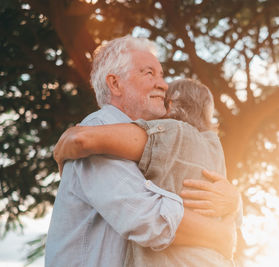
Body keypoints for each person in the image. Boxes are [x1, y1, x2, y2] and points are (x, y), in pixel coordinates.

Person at [45, 36, 239, 267]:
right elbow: (150, 220)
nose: (164, 85)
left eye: (161, 75)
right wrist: (222, 235)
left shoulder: (153, 142)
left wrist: (234, 201)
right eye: (149, 73)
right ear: (115, 84)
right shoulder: (100, 128)